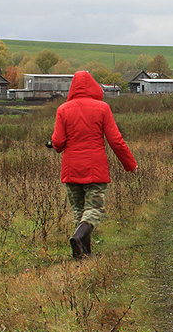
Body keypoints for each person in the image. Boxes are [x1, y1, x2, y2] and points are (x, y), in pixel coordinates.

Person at [49, 71, 137, 259]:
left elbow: (58, 143)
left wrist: (54, 143)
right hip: (95, 168)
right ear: (93, 86)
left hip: (71, 168)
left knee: (79, 211)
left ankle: (84, 254)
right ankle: (80, 240)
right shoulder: (102, 108)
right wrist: (129, 164)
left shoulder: (63, 109)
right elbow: (116, 140)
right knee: (95, 209)